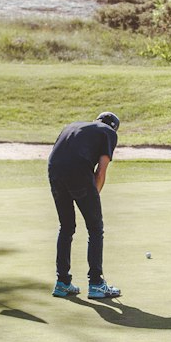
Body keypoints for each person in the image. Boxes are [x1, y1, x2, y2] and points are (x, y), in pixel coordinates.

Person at [48, 112, 122, 300]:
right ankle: (96, 284)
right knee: (95, 228)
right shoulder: (108, 133)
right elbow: (101, 171)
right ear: (113, 126)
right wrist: (91, 201)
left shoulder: (72, 126)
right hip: (78, 172)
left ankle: (62, 283)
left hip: (54, 170)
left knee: (66, 227)